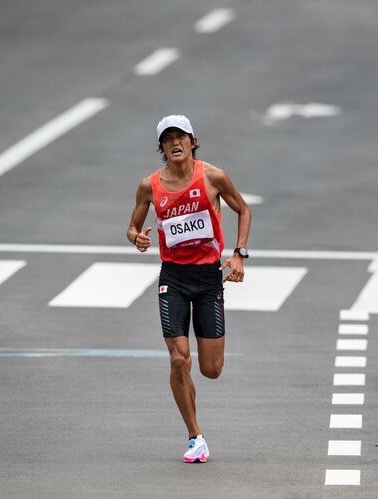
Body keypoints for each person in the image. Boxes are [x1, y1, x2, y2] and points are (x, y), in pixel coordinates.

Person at [126, 114, 252, 463]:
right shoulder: (149, 186)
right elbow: (132, 227)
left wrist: (239, 254)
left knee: (210, 369)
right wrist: (137, 238)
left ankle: (195, 403)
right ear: (162, 148)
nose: (174, 142)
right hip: (174, 280)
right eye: (167, 139)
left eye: (180, 136)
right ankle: (195, 436)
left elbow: (244, 210)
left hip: (209, 279)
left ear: (192, 141)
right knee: (179, 359)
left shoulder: (213, 177)